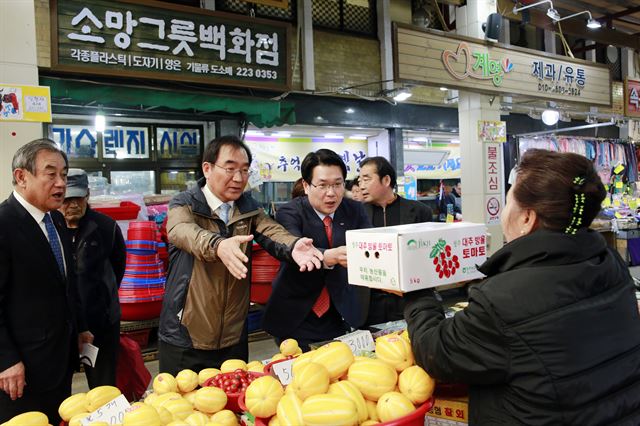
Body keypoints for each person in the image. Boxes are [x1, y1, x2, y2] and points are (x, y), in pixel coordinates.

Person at [404, 149, 640, 425]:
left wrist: (416, 291)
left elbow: (436, 353)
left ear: (527, 218)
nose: (503, 213)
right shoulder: (609, 263)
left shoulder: (504, 299)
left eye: (507, 202)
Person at [159, 135, 324, 375]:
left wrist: (294, 244)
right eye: (230, 169)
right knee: (180, 406)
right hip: (185, 335)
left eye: (245, 170)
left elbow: (272, 231)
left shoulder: (248, 207)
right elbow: (181, 231)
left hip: (233, 336)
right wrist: (219, 245)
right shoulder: (185, 204)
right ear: (207, 168)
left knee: (233, 405)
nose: (238, 178)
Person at [0, 139, 92, 424]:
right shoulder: (4, 224)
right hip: (20, 369)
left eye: (63, 174)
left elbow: (67, 284)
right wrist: (6, 361)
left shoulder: (56, 220)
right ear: (21, 176)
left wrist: (80, 329)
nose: (61, 183)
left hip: (59, 359)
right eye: (50, 174)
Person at [262, 149, 371, 351]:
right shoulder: (289, 212)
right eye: (322, 185)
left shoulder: (355, 210)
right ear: (305, 185)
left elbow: (369, 246)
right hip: (297, 312)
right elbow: (291, 245)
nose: (331, 193)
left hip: (342, 310)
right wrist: (327, 257)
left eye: (338, 184)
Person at [59, 169, 126, 389]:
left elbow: (118, 268)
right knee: (60, 385)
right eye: (67, 199)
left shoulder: (106, 228)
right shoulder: (51, 228)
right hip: (63, 324)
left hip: (101, 322)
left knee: (103, 385)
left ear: (87, 195)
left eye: (78, 198)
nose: (73, 204)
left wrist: (102, 299)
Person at [358, 156, 433, 325]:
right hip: (370, 304)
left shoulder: (420, 212)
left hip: (410, 300)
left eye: (366, 179)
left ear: (386, 180)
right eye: (359, 180)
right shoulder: (356, 214)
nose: (361, 185)